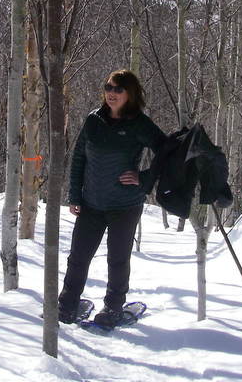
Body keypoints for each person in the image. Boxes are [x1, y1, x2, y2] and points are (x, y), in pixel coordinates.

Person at [58, 69, 166, 327]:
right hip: (91, 203)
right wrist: (75, 194)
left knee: (117, 259)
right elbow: (79, 158)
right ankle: (66, 305)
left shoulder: (139, 124)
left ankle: (113, 309)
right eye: (108, 87)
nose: (111, 93)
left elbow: (169, 153)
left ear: (130, 93)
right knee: (78, 256)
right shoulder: (94, 120)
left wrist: (144, 177)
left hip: (125, 205)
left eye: (118, 89)